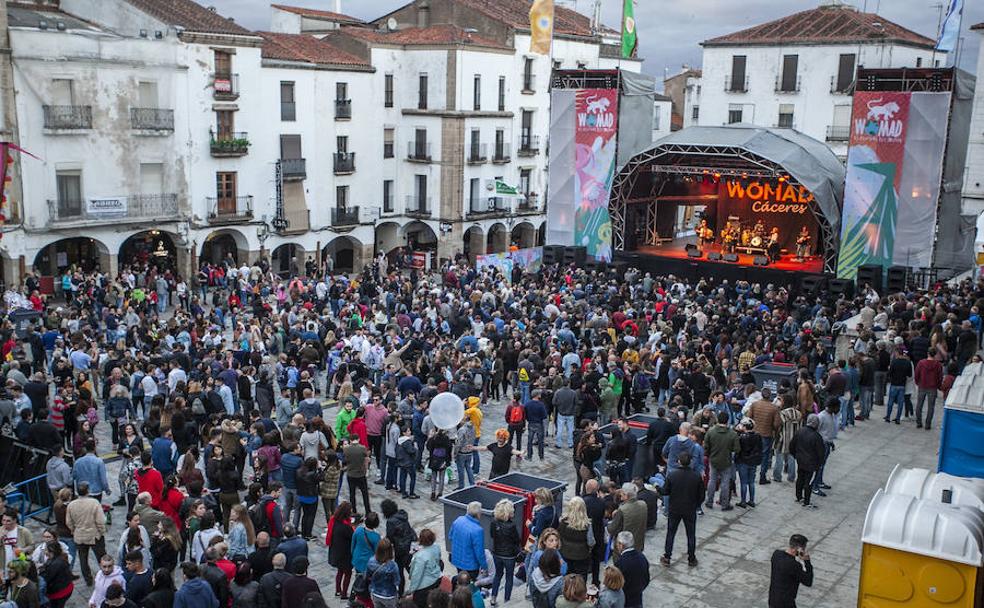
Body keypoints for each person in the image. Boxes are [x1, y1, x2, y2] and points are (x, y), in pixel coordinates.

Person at [660, 451, 704, 568]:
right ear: (690, 462)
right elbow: (701, 495)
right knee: (691, 534)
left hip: (675, 508)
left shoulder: (672, 475)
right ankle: (691, 558)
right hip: (690, 509)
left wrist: (657, 487)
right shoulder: (696, 476)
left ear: (679, 461)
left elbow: (665, 492)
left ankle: (667, 556)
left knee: (671, 533)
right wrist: (696, 505)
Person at [66, 482, 107, 587]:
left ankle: (88, 579)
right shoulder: (94, 503)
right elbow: (101, 520)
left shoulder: (71, 505)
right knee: (101, 557)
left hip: (79, 536)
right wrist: (102, 531)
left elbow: (69, 522)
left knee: (83, 559)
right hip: (94, 535)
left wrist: (73, 530)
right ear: (88, 491)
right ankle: (107, 574)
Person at [702, 411, 738, 511]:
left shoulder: (711, 431)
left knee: (712, 480)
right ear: (727, 421)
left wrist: (709, 454)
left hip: (713, 459)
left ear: (718, 419)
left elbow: (706, 446)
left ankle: (709, 501)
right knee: (725, 483)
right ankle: (724, 503)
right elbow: (737, 449)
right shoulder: (732, 434)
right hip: (726, 461)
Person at [790, 414, 826, 510]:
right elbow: (821, 453)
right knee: (809, 483)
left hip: (800, 460)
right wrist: (820, 464)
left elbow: (792, 445)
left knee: (800, 478)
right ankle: (806, 501)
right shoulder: (817, 437)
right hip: (812, 464)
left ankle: (799, 497)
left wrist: (796, 456)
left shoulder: (800, 431)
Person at [489, 499, 521, 606]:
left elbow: (492, 535)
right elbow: (516, 540)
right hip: (509, 556)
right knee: (509, 577)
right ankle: (507, 600)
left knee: (498, 575)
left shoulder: (493, 522)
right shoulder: (512, 526)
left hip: (497, 553)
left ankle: (493, 597)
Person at [768, 534, 813, 608]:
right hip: (786, 603)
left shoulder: (776, 554)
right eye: (804, 549)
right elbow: (808, 582)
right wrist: (807, 562)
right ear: (799, 549)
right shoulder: (794, 565)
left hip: (773, 599)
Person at [557, 497, 594, 583]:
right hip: (582, 556)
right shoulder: (587, 525)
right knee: (580, 579)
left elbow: (558, 537)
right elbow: (591, 542)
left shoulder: (563, 522)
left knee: (567, 578)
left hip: (565, 554)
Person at [448, 501, 486, 579]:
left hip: (457, 560)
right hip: (470, 566)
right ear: (478, 514)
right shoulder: (478, 530)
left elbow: (450, 536)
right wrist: (484, 566)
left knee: (461, 580)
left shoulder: (458, 520)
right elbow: (479, 553)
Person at [407, 528, 443, 608]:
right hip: (436, 578)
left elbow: (416, 575)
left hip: (424, 586)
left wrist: (412, 590)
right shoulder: (436, 547)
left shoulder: (420, 556)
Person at [326, 501, 355, 599]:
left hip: (336, 551)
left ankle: (338, 590)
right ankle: (344, 593)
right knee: (348, 573)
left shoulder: (334, 521)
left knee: (340, 572)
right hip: (345, 554)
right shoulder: (346, 527)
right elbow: (353, 537)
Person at [611, 532, 648, 608]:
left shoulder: (620, 563)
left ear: (621, 545)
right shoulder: (642, 557)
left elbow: (615, 585)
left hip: (625, 601)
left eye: (617, 543)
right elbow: (646, 579)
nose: (616, 545)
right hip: (637, 599)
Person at [606, 484, 646, 553]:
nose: (620, 497)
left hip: (624, 547)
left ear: (626, 495)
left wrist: (608, 522)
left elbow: (612, 529)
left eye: (622, 494)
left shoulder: (623, 509)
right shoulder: (643, 504)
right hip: (639, 544)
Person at [735, 418, 763, 508]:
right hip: (753, 461)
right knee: (751, 482)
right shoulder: (757, 436)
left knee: (743, 482)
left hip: (743, 461)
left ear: (744, 426)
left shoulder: (742, 437)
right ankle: (751, 500)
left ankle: (743, 501)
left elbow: (738, 449)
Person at [366, 538, 401, 608]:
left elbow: (368, 576)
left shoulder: (371, 561)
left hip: (375, 592)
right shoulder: (393, 565)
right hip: (389, 595)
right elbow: (397, 581)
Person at [0, 508, 34, 575]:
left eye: (8, 521)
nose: (5, 523)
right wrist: (1, 536)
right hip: (2, 566)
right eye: (3, 520)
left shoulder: (24, 531)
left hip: (18, 565)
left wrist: (23, 550)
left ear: (15, 520)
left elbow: (32, 546)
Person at [343, 438, 371, 516]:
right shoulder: (362, 448)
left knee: (352, 494)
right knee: (365, 494)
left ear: (351, 440)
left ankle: (354, 510)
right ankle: (368, 511)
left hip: (351, 474)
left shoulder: (347, 449)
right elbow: (367, 458)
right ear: (358, 439)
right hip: (361, 474)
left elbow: (345, 460)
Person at [351, 512, 381, 577]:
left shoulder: (358, 530)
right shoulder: (376, 537)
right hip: (369, 563)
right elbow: (377, 553)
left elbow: (353, 545)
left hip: (357, 559)